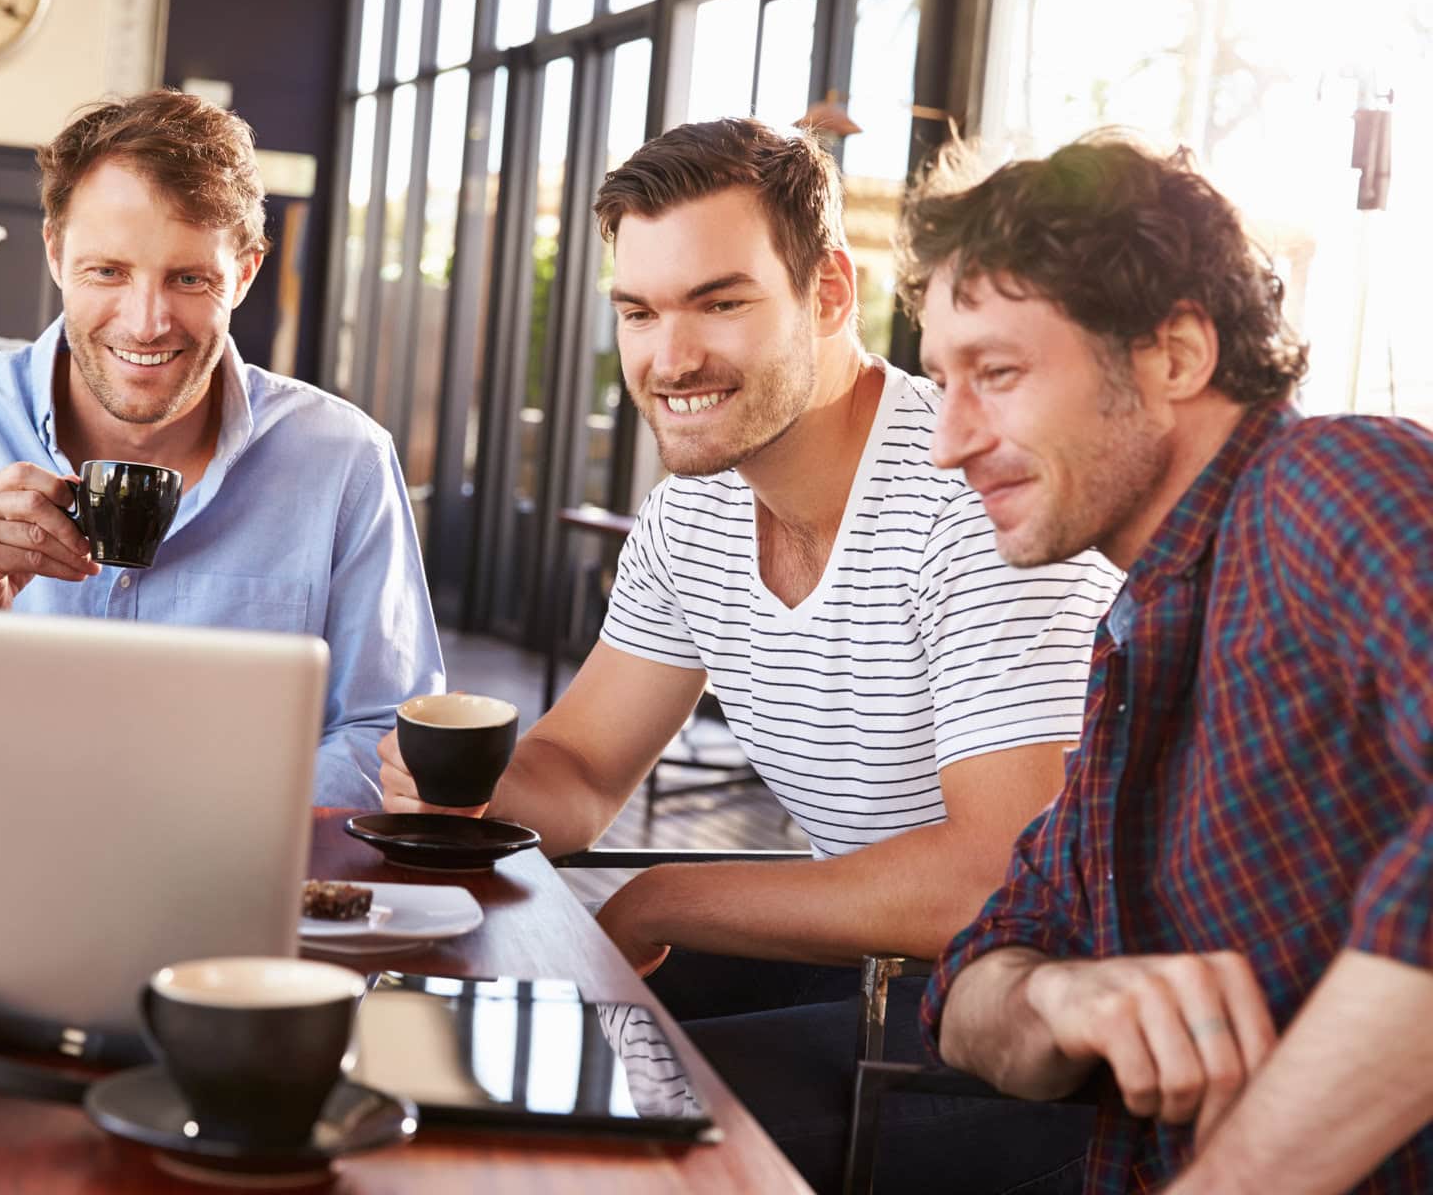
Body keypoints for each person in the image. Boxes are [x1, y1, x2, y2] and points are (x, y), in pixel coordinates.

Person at [380, 119, 1121, 1192]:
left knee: (568, 1123)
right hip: (866, 964)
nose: (670, 358)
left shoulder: (975, 500)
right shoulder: (693, 515)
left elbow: (990, 878)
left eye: (720, 303)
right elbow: (579, 773)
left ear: (829, 294)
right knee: (439, 1048)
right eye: (640, 312)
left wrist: (664, 898)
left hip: (1034, 1018)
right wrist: (458, 784)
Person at [907, 133, 1433, 1193]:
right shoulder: (1140, 638)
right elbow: (967, 988)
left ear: (1177, 356)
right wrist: (1056, 996)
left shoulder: (1331, 482)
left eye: (997, 374)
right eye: (939, 382)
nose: (947, 442)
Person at [0, 91, 443, 808]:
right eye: (108, 272)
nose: (146, 324)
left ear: (243, 274)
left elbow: (384, 732)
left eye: (189, 278)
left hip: (231, 865)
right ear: (56, 254)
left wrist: (217, 830)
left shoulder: (344, 458)